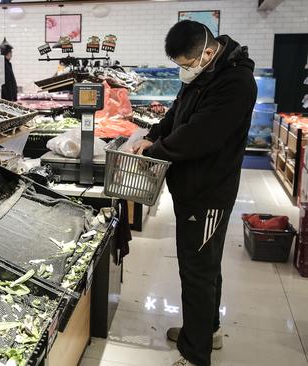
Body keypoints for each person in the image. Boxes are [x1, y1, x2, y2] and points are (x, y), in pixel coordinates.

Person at [131, 20, 257, 366]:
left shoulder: (235, 83)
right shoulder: (205, 74)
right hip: (193, 186)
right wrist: (154, 134)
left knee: (197, 270)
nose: (185, 72)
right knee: (205, 263)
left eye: (187, 64)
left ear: (208, 51)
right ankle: (206, 330)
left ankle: (195, 354)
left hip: (209, 191)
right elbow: (178, 114)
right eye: (181, 66)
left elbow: (201, 134)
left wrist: (156, 152)